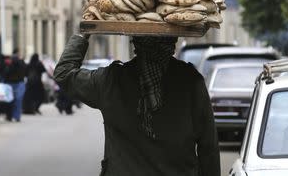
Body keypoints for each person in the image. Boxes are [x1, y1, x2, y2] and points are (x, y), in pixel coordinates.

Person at [54, 34, 220, 176]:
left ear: (136, 41)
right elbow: (208, 148)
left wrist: (85, 33)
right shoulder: (190, 80)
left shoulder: (111, 80)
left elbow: (64, 73)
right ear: (172, 41)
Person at [5, 48, 27, 122]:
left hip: (10, 83)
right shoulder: (21, 63)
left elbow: (6, 73)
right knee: (18, 101)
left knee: (10, 100)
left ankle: (9, 116)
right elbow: (26, 71)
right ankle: (17, 116)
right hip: (19, 83)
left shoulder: (9, 64)